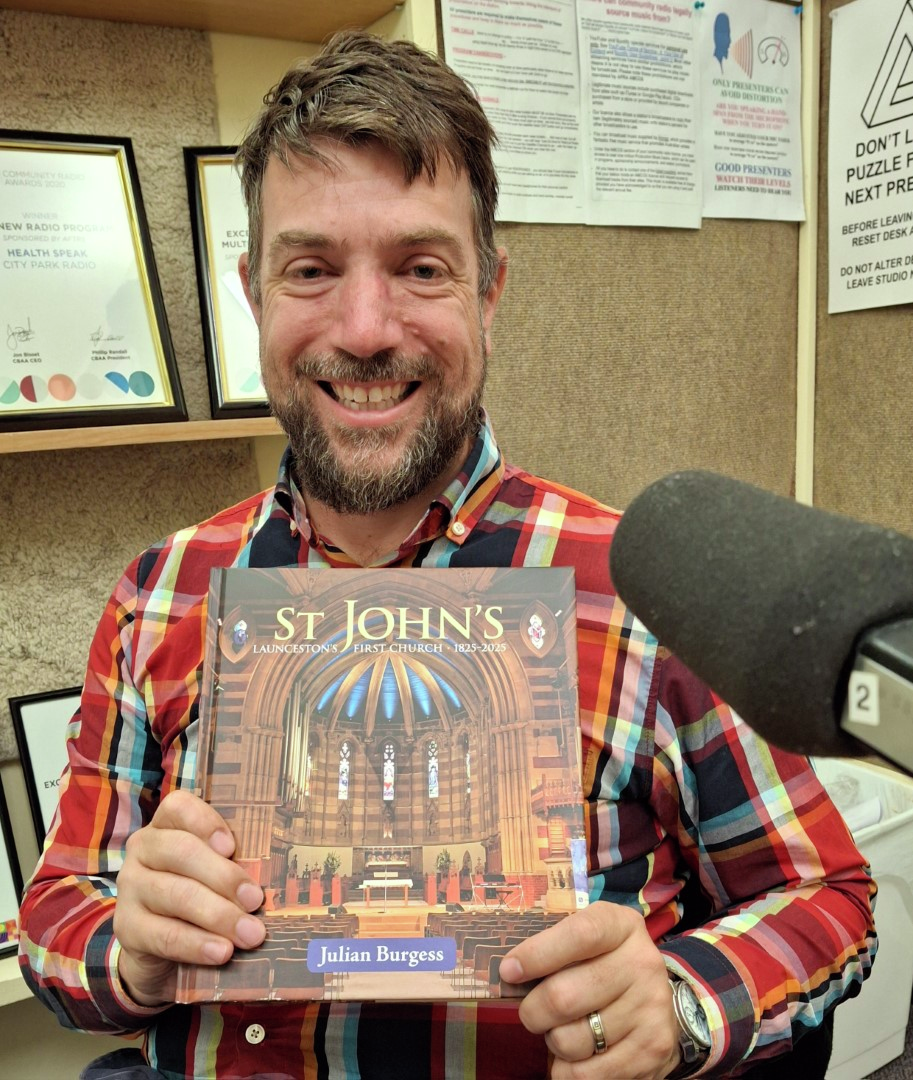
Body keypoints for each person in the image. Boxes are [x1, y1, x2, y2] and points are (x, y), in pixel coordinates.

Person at [19, 29, 875, 1080]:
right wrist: (130, 952)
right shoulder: (161, 593)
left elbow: (830, 899)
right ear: (253, 292)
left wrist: (682, 1002)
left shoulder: (647, 589)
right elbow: (56, 915)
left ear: (489, 292)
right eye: (310, 270)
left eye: (420, 268)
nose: (364, 328)